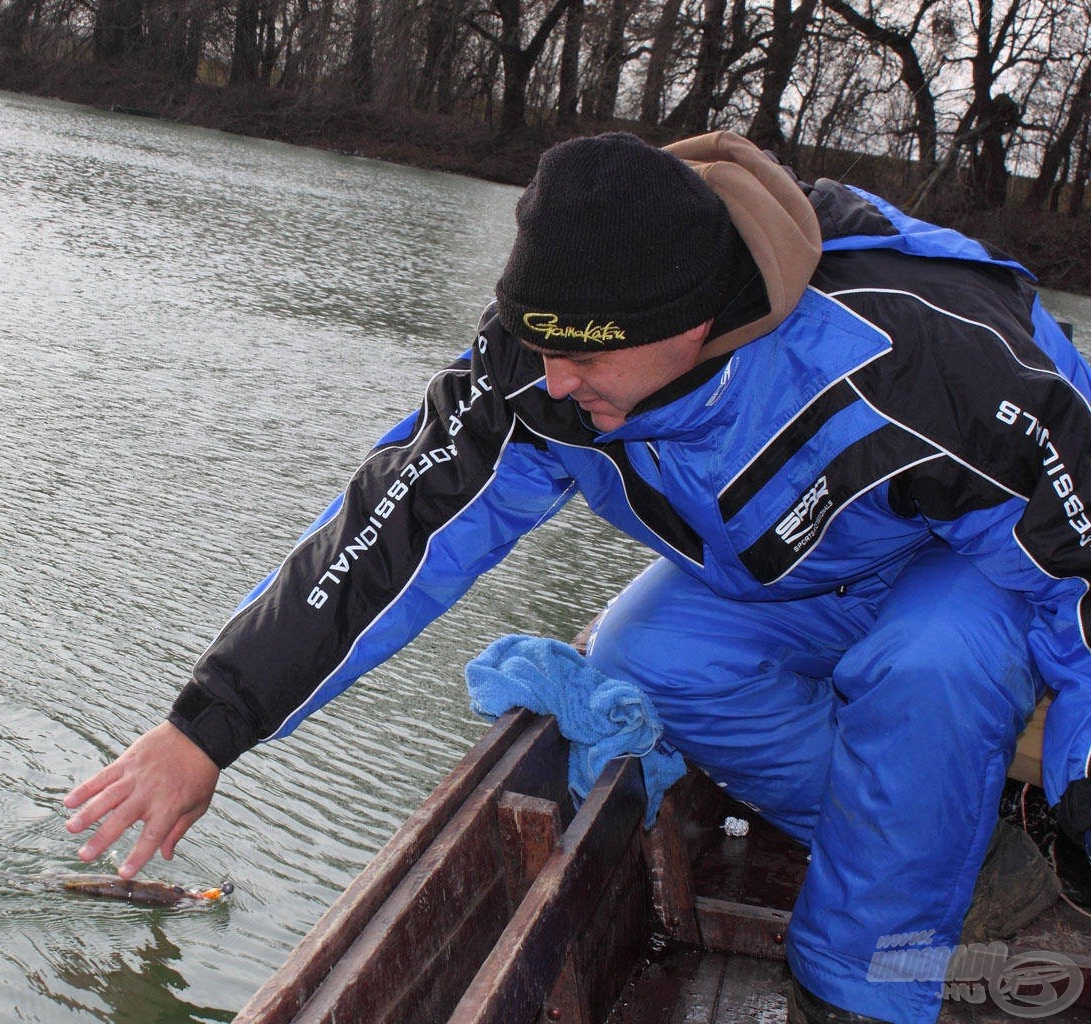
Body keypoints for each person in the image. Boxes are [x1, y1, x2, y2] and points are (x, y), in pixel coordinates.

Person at [64, 131, 1091, 1023]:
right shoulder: (546, 356)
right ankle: (946, 848)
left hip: (972, 564)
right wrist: (204, 729)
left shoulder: (921, 349)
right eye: (535, 347)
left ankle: (862, 983)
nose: (548, 384)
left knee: (926, 666)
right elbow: (392, 530)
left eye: (578, 362)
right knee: (646, 654)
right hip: (792, 577)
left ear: (691, 325)